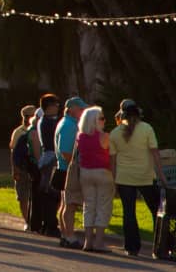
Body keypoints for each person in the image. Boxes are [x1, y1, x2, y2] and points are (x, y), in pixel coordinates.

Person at [110, 99, 169, 257]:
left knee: (128, 212)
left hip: (124, 177)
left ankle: (132, 247)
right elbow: (155, 153)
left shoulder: (115, 133)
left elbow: (113, 161)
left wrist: (114, 180)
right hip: (146, 176)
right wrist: (162, 176)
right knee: (156, 211)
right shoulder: (146, 129)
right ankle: (160, 246)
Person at [77, 106, 112, 252]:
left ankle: (88, 241)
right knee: (103, 206)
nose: (104, 121)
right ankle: (99, 242)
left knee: (89, 206)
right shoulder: (104, 137)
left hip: (85, 172)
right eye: (102, 118)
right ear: (95, 121)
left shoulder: (80, 136)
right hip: (102, 172)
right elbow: (111, 155)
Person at [55, 96, 87, 248]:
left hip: (64, 168)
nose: (82, 111)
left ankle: (65, 234)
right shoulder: (69, 125)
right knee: (70, 205)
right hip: (68, 169)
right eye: (80, 109)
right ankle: (69, 236)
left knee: (65, 204)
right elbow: (66, 151)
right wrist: (74, 168)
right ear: (72, 109)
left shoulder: (67, 122)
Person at [29, 93, 62, 238]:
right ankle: (50, 225)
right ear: (49, 107)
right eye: (56, 105)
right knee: (51, 193)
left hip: (45, 157)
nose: (58, 107)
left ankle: (45, 224)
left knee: (46, 193)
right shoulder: (50, 122)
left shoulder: (43, 121)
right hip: (51, 158)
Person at [11, 104, 37, 228]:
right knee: (23, 196)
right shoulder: (18, 132)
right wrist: (15, 169)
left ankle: (34, 219)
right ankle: (27, 221)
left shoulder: (37, 130)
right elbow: (13, 153)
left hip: (33, 167)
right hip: (21, 167)